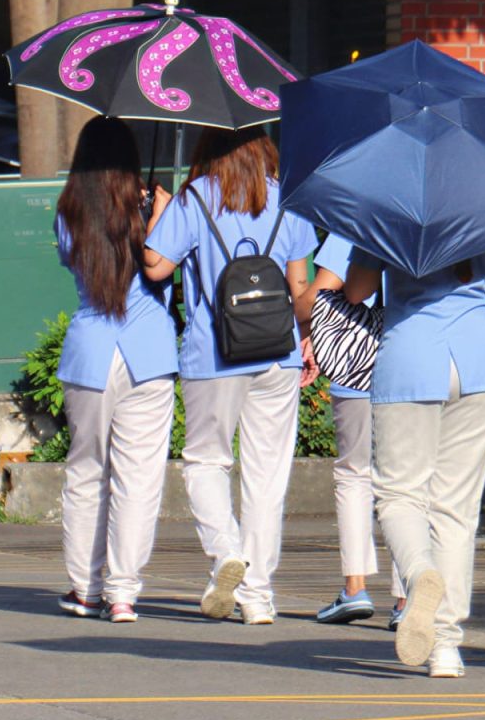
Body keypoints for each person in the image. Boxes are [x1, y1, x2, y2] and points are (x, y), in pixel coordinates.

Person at [144, 127, 318, 626]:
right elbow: (299, 283)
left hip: (213, 352)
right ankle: (258, 596)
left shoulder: (193, 197)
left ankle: (225, 556)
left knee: (205, 462)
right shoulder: (289, 199)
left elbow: (156, 267)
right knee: (267, 477)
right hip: (276, 352)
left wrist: (157, 211)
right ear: (263, 146)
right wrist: (305, 338)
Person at [344, 242, 485, 678]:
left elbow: (356, 291)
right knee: (456, 510)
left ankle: (418, 574)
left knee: (399, 496)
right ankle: (446, 646)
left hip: (410, 358)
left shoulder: (389, 202)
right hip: (482, 364)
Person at [53, 116, 178, 623]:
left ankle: (85, 587)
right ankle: (122, 593)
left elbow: (70, 260)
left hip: (89, 351)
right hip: (149, 353)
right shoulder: (151, 208)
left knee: (86, 473)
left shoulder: (68, 211)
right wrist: (157, 212)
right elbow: (166, 264)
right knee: (139, 479)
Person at [296, 233, 405, 627]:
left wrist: (302, 314)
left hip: (357, 368)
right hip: (412, 366)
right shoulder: (447, 221)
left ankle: (355, 587)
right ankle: (405, 597)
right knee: (407, 482)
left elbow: (323, 293)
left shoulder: (358, 221)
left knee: (354, 473)